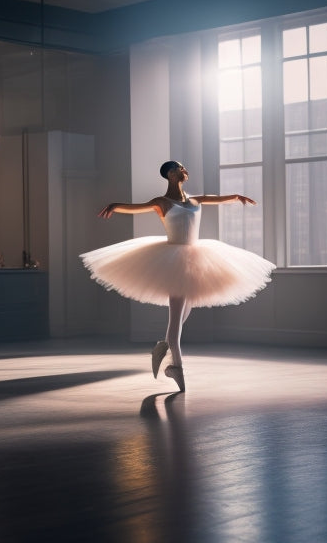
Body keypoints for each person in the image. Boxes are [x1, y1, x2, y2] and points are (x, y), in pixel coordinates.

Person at [80, 160, 275, 392]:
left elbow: (216, 198)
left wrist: (236, 197)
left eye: (184, 168)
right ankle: (176, 367)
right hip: (174, 261)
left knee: (187, 309)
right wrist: (114, 205)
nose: (185, 170)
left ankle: (162, 347)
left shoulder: (194, 200)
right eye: (180, 168)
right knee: (176, 321)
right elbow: (136, 207)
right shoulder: (161, 202)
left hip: (196, 258)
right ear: (171, 174)